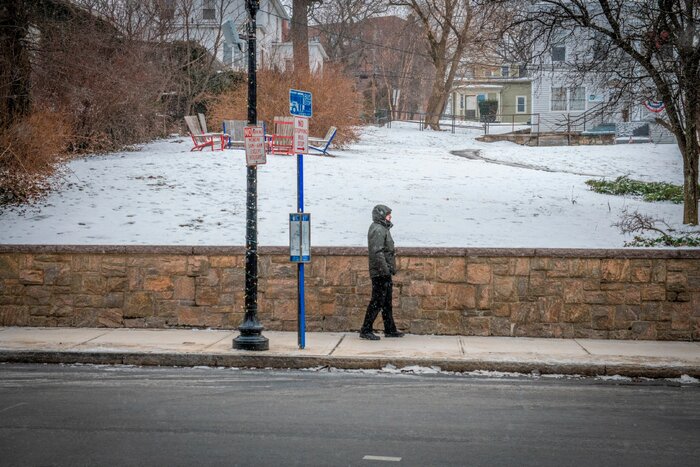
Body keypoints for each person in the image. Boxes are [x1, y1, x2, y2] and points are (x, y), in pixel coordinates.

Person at [359, 204, 404, 340]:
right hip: (380, 272)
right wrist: (385, 270)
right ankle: (365, 329)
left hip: (384, 271)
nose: (390, 216)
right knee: (377, 301)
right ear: (381, 215)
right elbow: (377, 252)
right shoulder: (378, 229)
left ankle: (390, 329)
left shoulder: (383, 228)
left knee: (386, 302)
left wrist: (389, 270)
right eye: (388, 214)